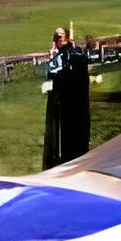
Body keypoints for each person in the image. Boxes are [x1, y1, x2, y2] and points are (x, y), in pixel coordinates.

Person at [42, 23, 93, 165]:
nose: (56, 41)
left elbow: (56, 72)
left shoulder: (74, 54)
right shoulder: (62, 55)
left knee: (76, 137)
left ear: (67, 38)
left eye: (59, 37)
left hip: (75, 104)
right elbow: (51, 72)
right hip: (66, 105)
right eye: (55, 37)